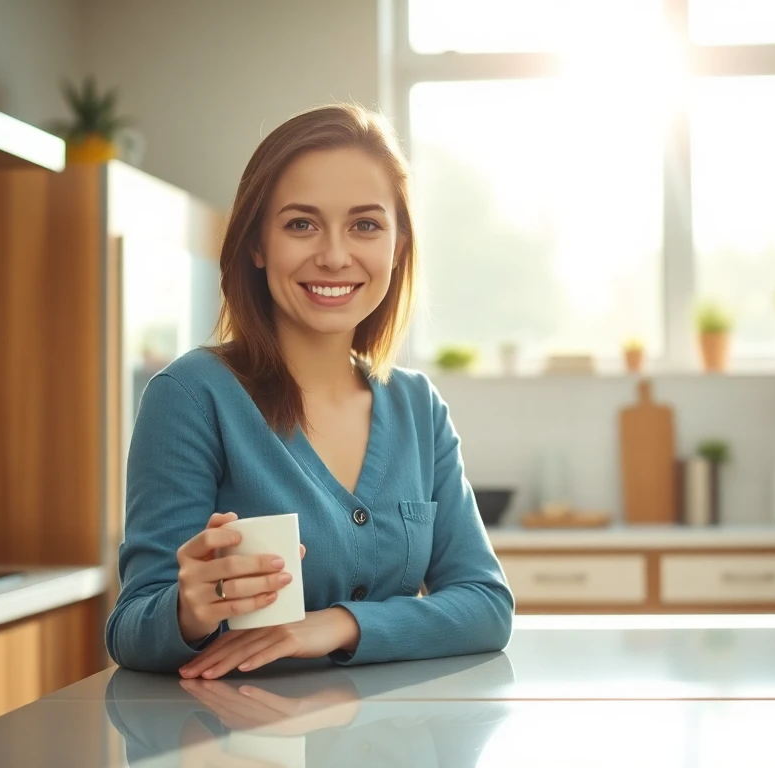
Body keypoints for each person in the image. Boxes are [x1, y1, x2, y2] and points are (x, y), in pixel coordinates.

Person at [105, 103, 514, 677]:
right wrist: (186, 610)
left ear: (397, 247)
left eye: (365, 225)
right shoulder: (191, 396)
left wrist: (336, 625)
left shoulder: (418, 406)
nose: (334, 255)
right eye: (301, 224)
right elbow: (131, 629)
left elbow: (486, 606)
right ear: (256, 244)